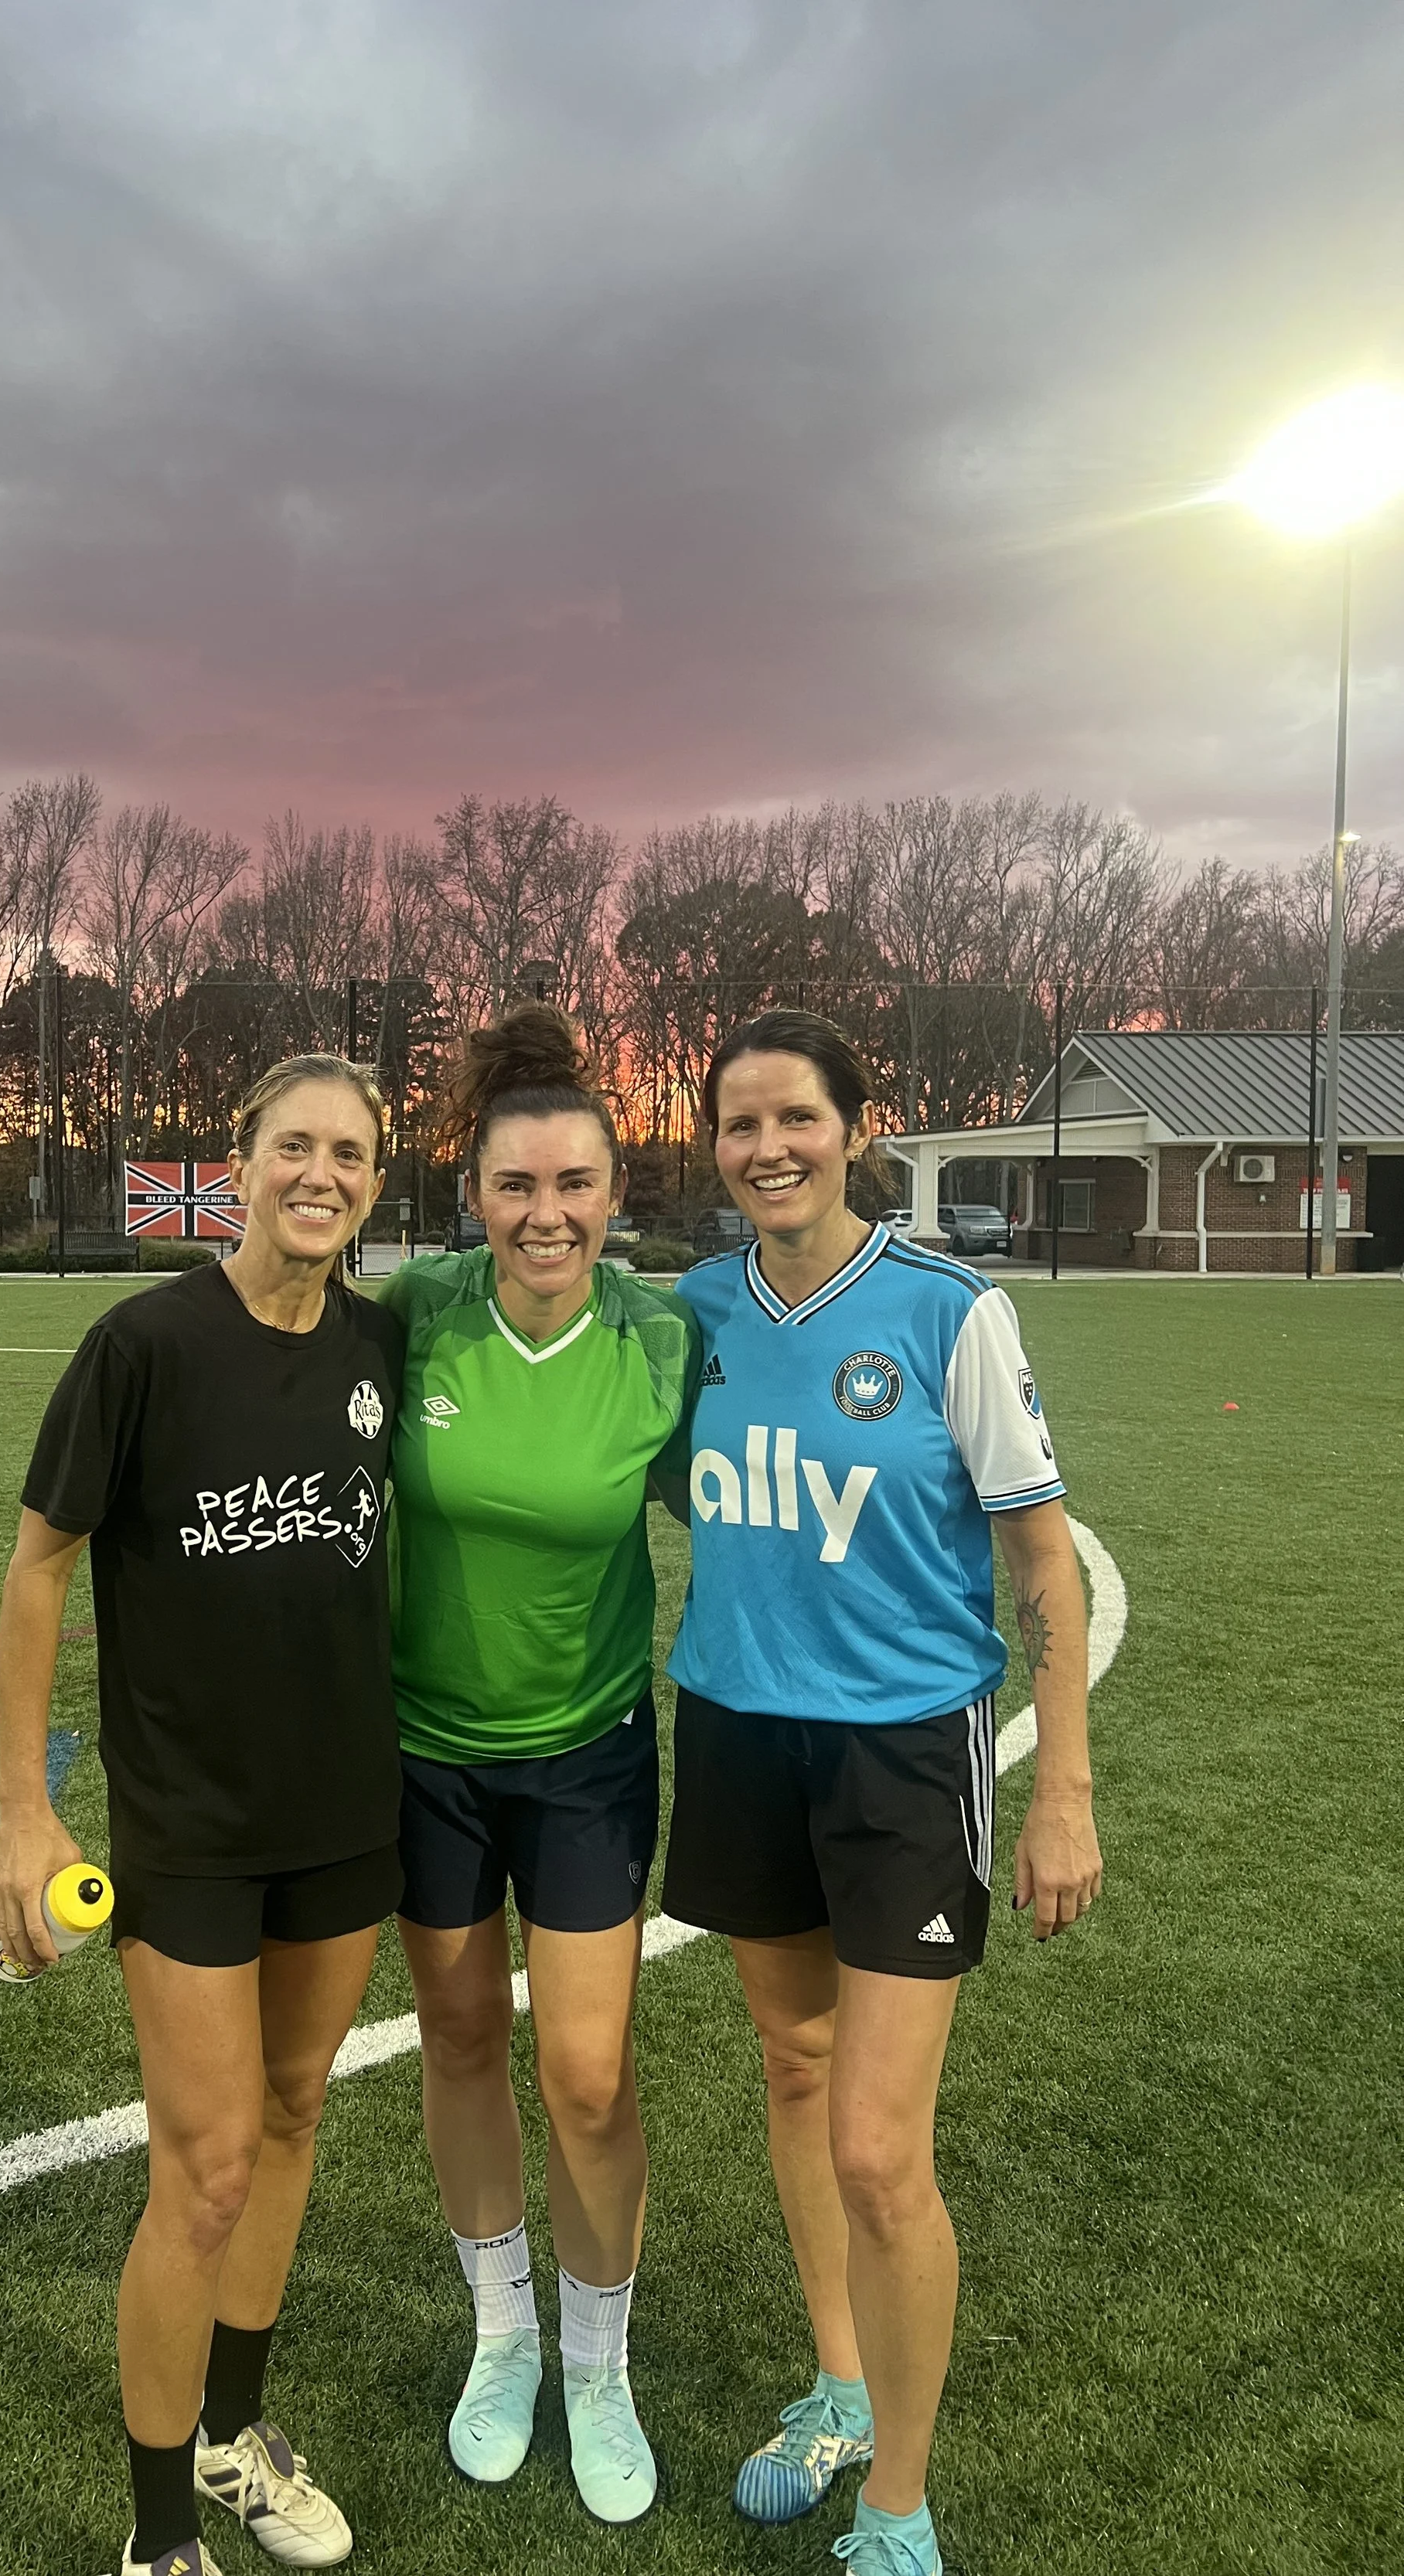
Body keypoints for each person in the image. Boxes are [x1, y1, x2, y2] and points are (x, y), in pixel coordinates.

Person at [660, 1009, 1102, 2576]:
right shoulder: (694, 1311)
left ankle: (897, 2501)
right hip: (734, 1729)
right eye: (739, 1124)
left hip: (903, 1753)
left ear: (859, 1126)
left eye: (796, 1117)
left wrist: (1062, 1787)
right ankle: (838, 2389)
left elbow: (1038, 1552)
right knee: (792, 2066)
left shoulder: (946, 1311)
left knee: (875, 2148)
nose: (767, 1148)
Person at [0, 1054, 404, 2576]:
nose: (319, 1173)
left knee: (292, 2115)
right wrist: (24, 1810)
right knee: (207, 2167)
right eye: (293, 1145)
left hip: (346, 1812)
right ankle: (158, 2535)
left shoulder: (381, 1341)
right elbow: (39, 1567)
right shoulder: (144, 1344)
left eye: (347, 1152)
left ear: (375, 1180)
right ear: (238, 1166)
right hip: (190, 1829)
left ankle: (236, 2436)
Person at [374, 1004, 700, 2525]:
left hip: (584, 1757)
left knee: (583, 2072)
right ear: (472, 1195)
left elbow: (750, 1507)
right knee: (456, 2038)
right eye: (516, 1185)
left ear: (615, 1191)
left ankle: (595, 2361)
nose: (546, 1212)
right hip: (424, 1757)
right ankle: (502, 2338)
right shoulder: (416, 1311)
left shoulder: (659, 1341)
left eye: (574, 1184)